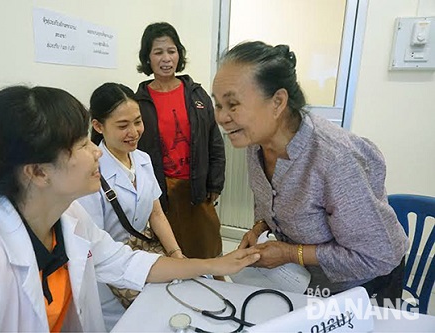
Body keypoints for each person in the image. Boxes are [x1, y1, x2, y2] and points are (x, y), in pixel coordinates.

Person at [0, 85, 260, 332]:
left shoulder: (69, 220)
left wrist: (216, 264)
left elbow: (128, 263)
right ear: (38, 171)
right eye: (81, 144)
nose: (97, 153)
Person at [211, 41, 408, 306]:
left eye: (232, 104)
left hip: (363, 286)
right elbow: (275, 202)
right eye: (218, 105)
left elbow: (377, 256)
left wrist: (291, 253)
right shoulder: (256, 143)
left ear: (278, 102)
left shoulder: (336, 159)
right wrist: (260, 227)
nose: (222, 117)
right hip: (308, 280)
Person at [77, 82, 184, 329]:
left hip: (142, 258)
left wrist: (176, 254)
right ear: (98, 126)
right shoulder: (92, 172)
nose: (134, 132)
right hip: (110, 277)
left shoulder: (143, 160)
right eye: (123, 126)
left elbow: (156, 214)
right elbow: (95, 244)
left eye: (137, 122)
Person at [135, 22, 225, 260]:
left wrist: (215, 184)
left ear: (179, 54)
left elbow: (214, 141)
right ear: (147, 58)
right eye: (158, 52)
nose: (166, 58)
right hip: (160, 193)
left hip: (196, 189)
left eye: (171, 51)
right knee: (170, 252)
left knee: (206, 249)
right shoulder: (139, 101)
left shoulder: (196, 94)